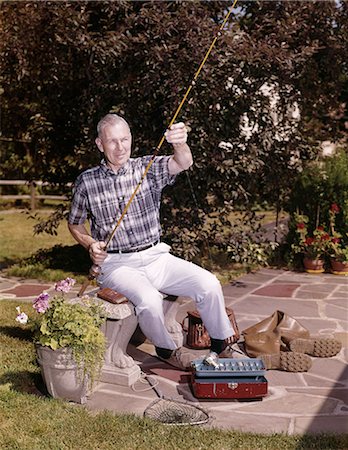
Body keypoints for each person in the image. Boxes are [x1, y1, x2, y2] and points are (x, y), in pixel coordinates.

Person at [68, 113, 237, 370]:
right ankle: (167, 349)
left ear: (131, 139)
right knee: (149, 300)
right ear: (100, 144)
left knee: (209, 283)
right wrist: (90, 244)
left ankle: (220, 344)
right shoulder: (87, 181)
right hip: (117, 264)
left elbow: (183, 162)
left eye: (124, 139)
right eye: (112, 141)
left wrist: (179, 143)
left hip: (157, 256)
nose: (120, 147)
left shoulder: (147, 167)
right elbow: (75, 223)